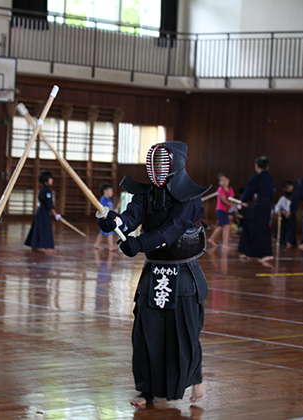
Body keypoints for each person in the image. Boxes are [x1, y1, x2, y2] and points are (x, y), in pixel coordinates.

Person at [98, 141, 209, 407]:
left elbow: (171, 232)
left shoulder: (190, 200)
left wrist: (139, 244)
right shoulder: (147, 195)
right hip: (154, 274)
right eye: (154, 164)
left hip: (183, 276)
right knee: (145, 332)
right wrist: (114, 221)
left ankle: (196, 378)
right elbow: (130, 218)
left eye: (163, 163)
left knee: (185, 332)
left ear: (176, 165)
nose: (157, 170)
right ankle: (146, 390)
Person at [238, 156, 275, 262]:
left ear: (256, 166)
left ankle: (266, 253)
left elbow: (249, 190)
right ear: (268, 167)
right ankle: (249, 252)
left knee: (254, 227)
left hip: (258, 206)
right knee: (258, 227)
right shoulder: (270, 178)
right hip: (267, 206)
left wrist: (244, 200)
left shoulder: (256, 178)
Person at [25, 170, 61, 255]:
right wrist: (55, 214)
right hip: (44, 212)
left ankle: (34, 246)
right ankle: (47, 248)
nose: (52, 180)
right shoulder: (47, 190)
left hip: (40, 211)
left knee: (38, 228)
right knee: (46, 229)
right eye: (50, 178)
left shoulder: (43, 189)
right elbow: (49, 204)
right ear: (46, 180)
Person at [207, 173, 235, 249]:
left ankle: (211, 239)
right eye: (222, 180)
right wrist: (230, 205)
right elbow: (223, 200)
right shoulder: (220, 189)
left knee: (221, 227)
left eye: (225, 179)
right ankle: (225, 244)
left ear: (228, 180)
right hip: (220, 210)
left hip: (226, 211)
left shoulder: (231, 189)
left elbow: (231, 199)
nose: (224, 181)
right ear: (220, 183)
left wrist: (230, 207)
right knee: (227, 226)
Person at [94, 182, 118, 251]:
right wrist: (113, 210)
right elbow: (104, 208)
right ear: (105, 191)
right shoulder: (103, 199)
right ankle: (111, 247)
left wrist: (114, 211)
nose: (112, 193)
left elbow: (111, 209)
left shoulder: (110, 200)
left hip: (108, 219)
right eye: (110, 191)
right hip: (104, 219)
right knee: (110, 232)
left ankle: (96, 245)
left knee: (102, 233)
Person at [274, 180, 297, 248]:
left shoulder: (294, 199)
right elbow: (277, 206)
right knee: (282, 228)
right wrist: (279, 211)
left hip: (291, 216)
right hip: (284, 216)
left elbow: (293, 208)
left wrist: (289, 213)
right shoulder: (282, 198)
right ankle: (282, 240)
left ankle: (289, 241)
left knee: (291, 228)